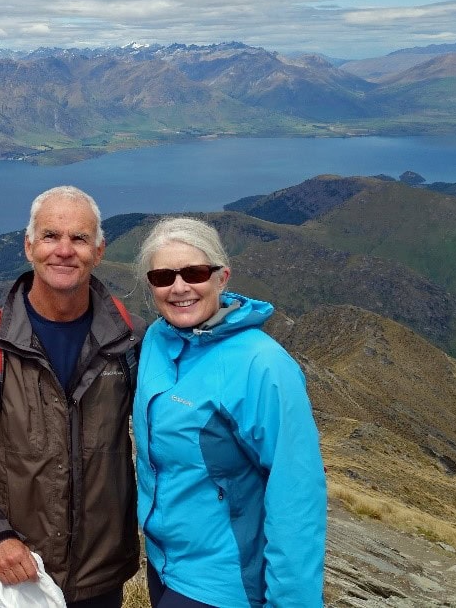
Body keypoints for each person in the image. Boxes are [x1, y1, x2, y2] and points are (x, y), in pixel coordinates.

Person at [0, 186, 145, 607]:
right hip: (15, 575)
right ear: (29, 245)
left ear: (99, 250)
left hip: (100, 578)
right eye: (51, 236)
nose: (64, 250)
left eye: (80, 238)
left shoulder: (130, 340)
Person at [132, 217, 326, 608]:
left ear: (222, 278)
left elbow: (297, 493)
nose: (179, 287)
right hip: (163, 565)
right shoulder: (156, 339)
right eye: (163, 276)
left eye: (195, 272)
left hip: (224, 582)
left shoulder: (264, 365)